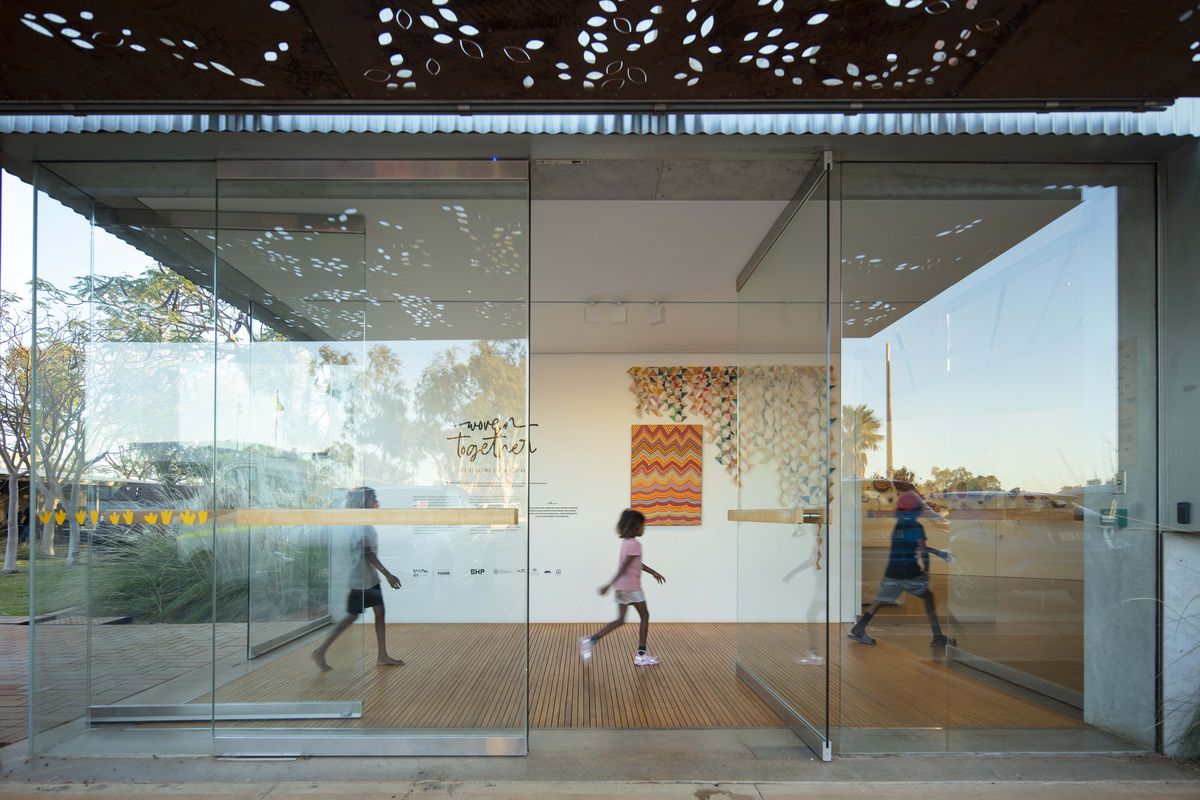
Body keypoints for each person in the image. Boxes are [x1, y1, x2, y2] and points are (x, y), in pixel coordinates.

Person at [313, 486, 404, 671]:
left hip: (369, 578)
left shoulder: (365, 523)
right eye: (374, 499)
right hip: (361, 580)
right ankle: (320, 651)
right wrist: (388, 575)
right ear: (365, 502)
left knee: (379, 612)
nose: (377, 502)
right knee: (352, 616)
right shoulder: (361, 525)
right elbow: (367, 552)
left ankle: (382, 655)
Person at [848, 490, 955, 648]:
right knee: (929, 598)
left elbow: (910, 546)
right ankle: (938, 636)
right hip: (911, 574)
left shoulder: (898, 526)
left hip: (892, 572)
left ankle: (859, 627)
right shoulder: (916, 527)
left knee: (879, 600)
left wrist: (938, 553)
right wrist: (926, 571)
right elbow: (922, 550)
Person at [578, 508, 666, 666]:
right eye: (641, 525)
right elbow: (624, 567)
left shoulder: (627, 543)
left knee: (619, 620)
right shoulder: (636, 544)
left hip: (622, 587)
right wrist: (608, 585)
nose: (643, 528)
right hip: (632, 588)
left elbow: (635, 563)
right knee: (645, 617)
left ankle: (591, 641)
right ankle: (641, 655)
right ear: (634, 526)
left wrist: (653, 572)